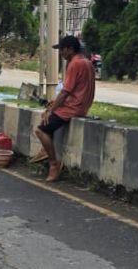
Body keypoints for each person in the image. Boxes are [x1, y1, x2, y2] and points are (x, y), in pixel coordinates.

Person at [32, 35, 95, 182]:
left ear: (70, 49)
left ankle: (54, 163)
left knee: (40, 130)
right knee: (47, 120)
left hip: (73, 108)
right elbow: (76, 89)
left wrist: (51, 109)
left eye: (62, 50)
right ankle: (44, 150)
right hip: (81, 106)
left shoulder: (74, 64)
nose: (61, 53)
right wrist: (54, 103)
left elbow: (66, 91)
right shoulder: (86, 62)